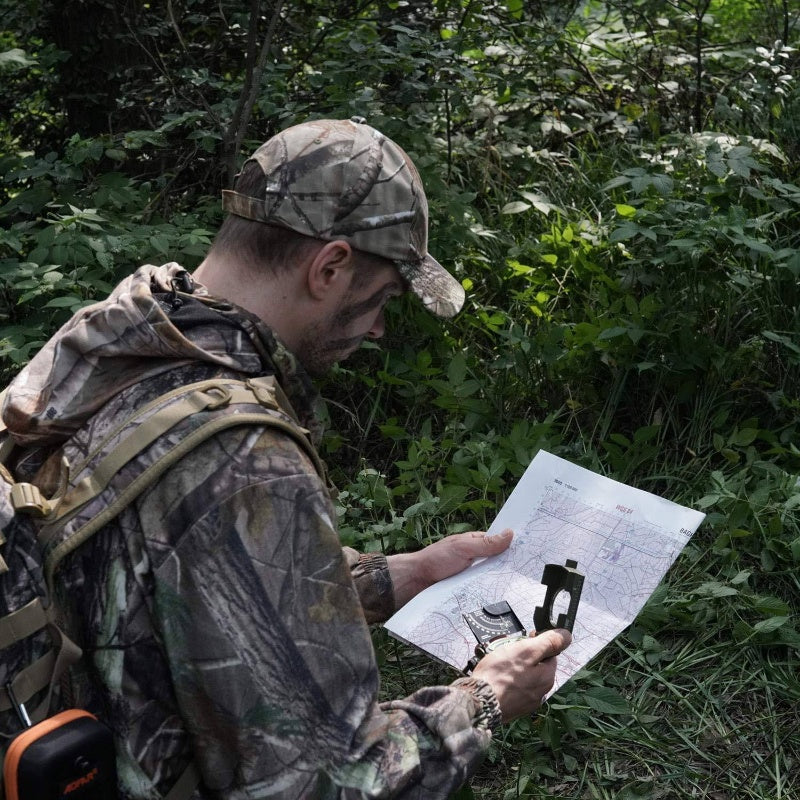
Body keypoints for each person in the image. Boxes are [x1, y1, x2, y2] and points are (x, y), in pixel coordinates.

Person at [1, 118, 571, 798]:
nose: (379, 327)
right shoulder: (242, 460)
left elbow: (169, 563)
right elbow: (332, 782)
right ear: (329, 267)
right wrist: (484, 699)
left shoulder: (122, 339)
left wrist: (403, 574)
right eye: (384, 297)